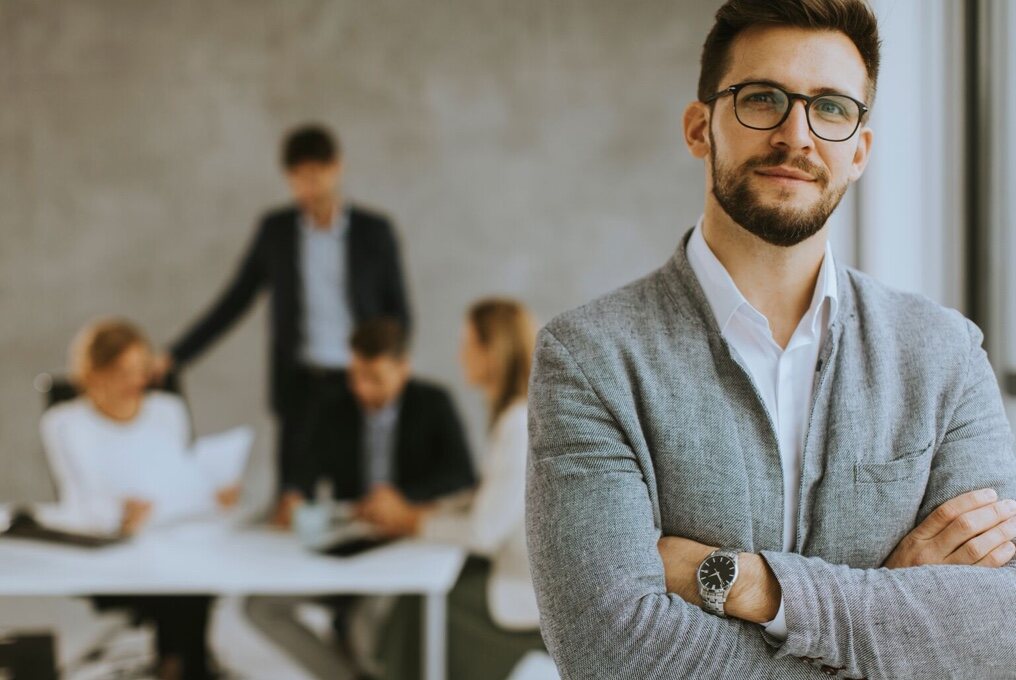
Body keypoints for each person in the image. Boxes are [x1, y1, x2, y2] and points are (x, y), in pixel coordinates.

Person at [526, 1, 1016, 678]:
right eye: (762, 99)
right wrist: (891, 606)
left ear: (860, 152)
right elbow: (612, 649)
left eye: (832, 108)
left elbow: (999, 629)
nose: (798, 134)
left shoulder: (944, 355)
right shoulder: (589, 359)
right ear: (701, 128)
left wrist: (753, 585)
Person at [152, 124, 411, 526]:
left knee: (359, 498)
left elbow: (399, 315)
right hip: (299, 384)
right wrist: (175, 356)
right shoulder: (276, 231)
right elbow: (234, 300)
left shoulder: (374, 232)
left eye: (315, 174)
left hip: (356, 383)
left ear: (336, 168)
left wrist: (387, 374)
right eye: (298, 178)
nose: (308, 187)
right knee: (293, 501)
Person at [244, 317, 475, 680]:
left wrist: (402, 500)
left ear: (403, 369)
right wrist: (293, 495)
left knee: (370, 627)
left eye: (375, 378)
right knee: (259, 607)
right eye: (355, 375)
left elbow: (462, 475)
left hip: (407, 543)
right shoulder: (333, 406)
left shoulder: (433, 403)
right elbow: (305, 467)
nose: (363, 389)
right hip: (347, 541)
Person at [40, 319, 241, 680]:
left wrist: (210, 496)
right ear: (94, 373)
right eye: (124, 371)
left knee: (189, 577)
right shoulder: (65, 423)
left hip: (170, 541)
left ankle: (179, 667)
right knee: (183, 589)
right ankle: (182, 668)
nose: (138, 382)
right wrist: (119, 516)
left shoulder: (167, 411)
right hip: (109, 550)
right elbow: (76, 505)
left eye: (142, 370)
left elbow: (180, 482)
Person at [366, 298, 545, 680]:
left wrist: (411, 522)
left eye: (468, 344)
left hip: (525, 593)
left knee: (419, 607)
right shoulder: (514, 418)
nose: (460, 355)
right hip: (512, 573)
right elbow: (486, 499)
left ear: (491, 352)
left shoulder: (518, 425)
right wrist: (420, 513)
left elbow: (484, 531)